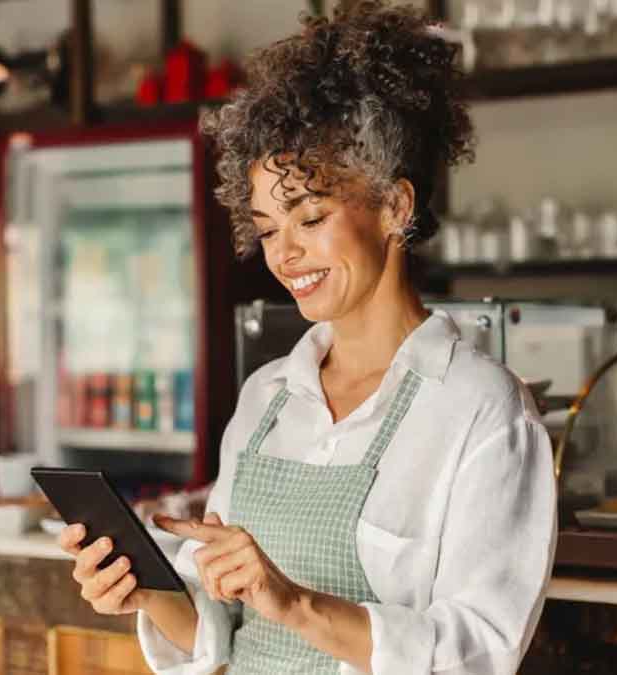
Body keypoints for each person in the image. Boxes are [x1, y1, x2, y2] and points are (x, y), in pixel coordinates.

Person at [57, 2, 557, 672]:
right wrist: (147, 592)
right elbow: (223, 631)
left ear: (395, 207)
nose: (286, 253)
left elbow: (477, 652)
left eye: (311, 216)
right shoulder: (267, 399)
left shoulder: (480, 411)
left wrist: (296, 603)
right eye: (266, 228)